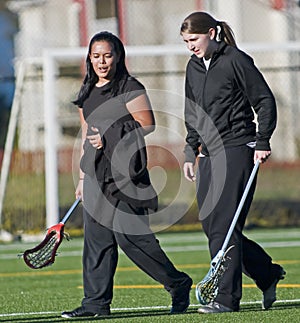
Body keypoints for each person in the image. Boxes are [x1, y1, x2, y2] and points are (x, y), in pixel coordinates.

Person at [61, 31, 192, 319]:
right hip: (96, 175)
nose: (102, 61)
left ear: (118, 56)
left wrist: (110, 136)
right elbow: (86, 134)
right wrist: (83, 179)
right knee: (97, 241)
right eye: (96, 56)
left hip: (125, 176)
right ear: (89, 59)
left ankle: (178, 283)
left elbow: (146, 123)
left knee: (132, 239)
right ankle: (95, 304)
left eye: (107, 55)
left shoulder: (129, 86)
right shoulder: (87, 92)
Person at [180, 12, 285, 314]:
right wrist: (191, 149)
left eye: (194, 40)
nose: (190, 46)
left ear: (211, 33)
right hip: (209, 151)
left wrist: (263, 140)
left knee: (223, 225)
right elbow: (193, 112)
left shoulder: (236, 60)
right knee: (213, 224)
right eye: (186, 42)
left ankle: (225, 298)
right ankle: (266, 273)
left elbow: (264, 100)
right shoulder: (193, 66)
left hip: (239, 146)